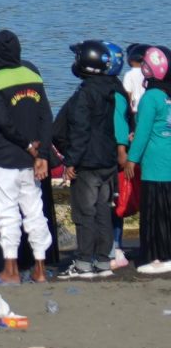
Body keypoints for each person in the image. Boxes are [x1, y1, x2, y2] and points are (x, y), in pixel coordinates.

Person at [0, 30, 55, 283]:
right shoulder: (33, 76)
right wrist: (42, 153)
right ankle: (40, 268)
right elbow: (46, 117)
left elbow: (2, 121)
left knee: (7, 212)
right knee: (35, 210)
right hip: (31, 160)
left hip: (4, 157)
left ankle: (11, 270)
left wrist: (28, 146)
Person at [54, 41, 125, 279]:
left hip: (88, 163)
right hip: (107, 160)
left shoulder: (85, 93)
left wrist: (70, 162)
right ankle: (104, 262)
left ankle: (84, 263)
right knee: (103, 211)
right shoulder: (112, 89)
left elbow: (80, 130)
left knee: (84, 213)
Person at [125, 66, 171, 274]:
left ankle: (156, 258)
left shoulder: (151, 97)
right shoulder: (166, 95)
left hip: (154, 164)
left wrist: (131, 159)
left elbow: (142, 132)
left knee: (154, 211)